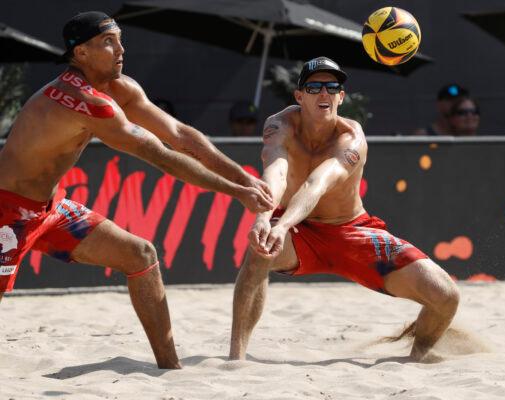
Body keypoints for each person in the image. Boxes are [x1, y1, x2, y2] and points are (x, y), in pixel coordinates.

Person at [0, 11, 274, 369]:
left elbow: (180, 135)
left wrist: (243, 177)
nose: (120, 49)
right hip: (8, 211)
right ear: (80, 53)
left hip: (50, 209)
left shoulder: (119, 88)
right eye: (108, 42)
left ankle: (170, 369)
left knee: (140, 255)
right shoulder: (84, 99)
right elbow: (161, 156)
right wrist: (234, 190)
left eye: (119, 39)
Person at [229, 57, 460, 362]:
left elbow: (316, 185)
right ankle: (236, 359)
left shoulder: (351, 138)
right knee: (260, 250)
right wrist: (263, 217)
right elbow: (276, 173)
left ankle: (416, 358)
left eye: (332, 86)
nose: (323, 93)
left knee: (446, 296)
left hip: (351, 230)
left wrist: (281, 225)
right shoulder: (280, 125)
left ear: (341, 96)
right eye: (314, 87)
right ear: (299, 96)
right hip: (303, 232)